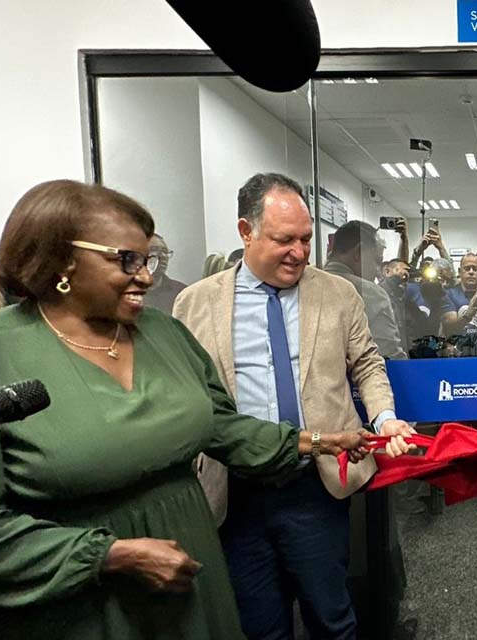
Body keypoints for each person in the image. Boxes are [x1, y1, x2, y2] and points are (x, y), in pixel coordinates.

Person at [0, 179, 371, 640]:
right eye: (126, 259)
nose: (148, 277)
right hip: (80, 601)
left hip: (192, 573)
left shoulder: (162, 334)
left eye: (148, 259)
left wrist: (313, 440)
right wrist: (111, 555)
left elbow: (220, 426)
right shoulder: (3, 351)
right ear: (62, 258)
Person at [172, 172, 414, 640]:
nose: (300, 253)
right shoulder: (195, 304)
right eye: (285, 240)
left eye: (305, 239)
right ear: (246, 232)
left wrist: (385, 417)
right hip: (235, 491)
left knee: (332, 618)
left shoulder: (338, 293)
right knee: (260, 626)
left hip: (315, 485)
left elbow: (367, 364)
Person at [324, 220, 406, 359]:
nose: (377, 271)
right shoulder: (372, 294)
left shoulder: (303, 286)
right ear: (358, 252)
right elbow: (390, 356)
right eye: (377, 261)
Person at [144, 232, 187, 313]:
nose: (163, 256)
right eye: (154, 250)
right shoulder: (130, 290)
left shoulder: (181, 292)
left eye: (165, 251)